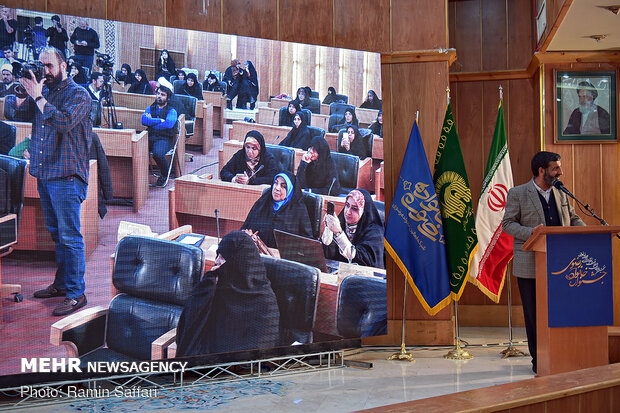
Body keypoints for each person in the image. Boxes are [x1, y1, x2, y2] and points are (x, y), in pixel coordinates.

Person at [7, 47, 92, 316]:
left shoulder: (78, 94)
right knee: (58, 235)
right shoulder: (43, 91)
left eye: (50, 66)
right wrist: (22, 95)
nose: (45, 71)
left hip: (67, 176)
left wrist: (39, 96)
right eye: (41, 66)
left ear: (63, 66)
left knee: (70, 237)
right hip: (45, 174)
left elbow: (64, 122)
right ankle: (62, 284)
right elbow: (15, 115)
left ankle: (77, 293)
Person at [502, 151, 585, 374]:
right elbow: (507, 224)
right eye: (555, 168)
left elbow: (573, 218)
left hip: (563, 264)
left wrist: (587, 233)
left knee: (560, 312)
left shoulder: (561, 192)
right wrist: (533, 233)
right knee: (534, 315)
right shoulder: (518, 193)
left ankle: (561, 354)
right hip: (531, 264)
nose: (560, 172)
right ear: (541, 170)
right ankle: (538, 359)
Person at [176, 231, 280, 356]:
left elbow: (260, 348)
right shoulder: (217, 285)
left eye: (223, 257)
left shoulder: (265, 302)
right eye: (218, 255)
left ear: (239, 261)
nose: (217, 261)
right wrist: (207, 285)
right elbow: (188, 325)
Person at [242, 172, 313, 248]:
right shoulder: (262, 203)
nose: (277, 188)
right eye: (276, 183)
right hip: (257, 254)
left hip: (284, 257)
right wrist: (247, 235)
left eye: (284, 186)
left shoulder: (299, 210)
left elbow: (308, 242)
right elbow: (245, 229)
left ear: (290, 190)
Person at [322, 189, 384, 269]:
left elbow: (362, 261)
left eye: (354, 209)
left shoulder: (375, 233)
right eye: (347, 205)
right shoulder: (341, 222)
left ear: (364, 211)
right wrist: (329, 228)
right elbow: (327, 253)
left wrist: (339, 233)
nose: (348, 212)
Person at [141, 78, 178, 186]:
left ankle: (164, 174)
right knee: (135, 147)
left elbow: (169, 124)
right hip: (150, 136)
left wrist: (151, 122)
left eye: (162, 95)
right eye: (158, 94)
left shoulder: (172, 110)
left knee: (157, 154)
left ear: (167, 97)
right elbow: (144, 120)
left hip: (164, 139)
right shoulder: (150, 108)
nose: (159, 96)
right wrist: (159, 120)